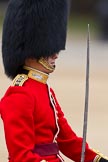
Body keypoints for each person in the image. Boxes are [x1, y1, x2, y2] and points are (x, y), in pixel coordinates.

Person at [0, 0, 108, 162]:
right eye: (49, 50)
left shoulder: (46, 90)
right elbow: (21, 156)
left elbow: (67, 141)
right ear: (30, 53)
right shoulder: (19, 94)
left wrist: (98, 160)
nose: (56, 54)